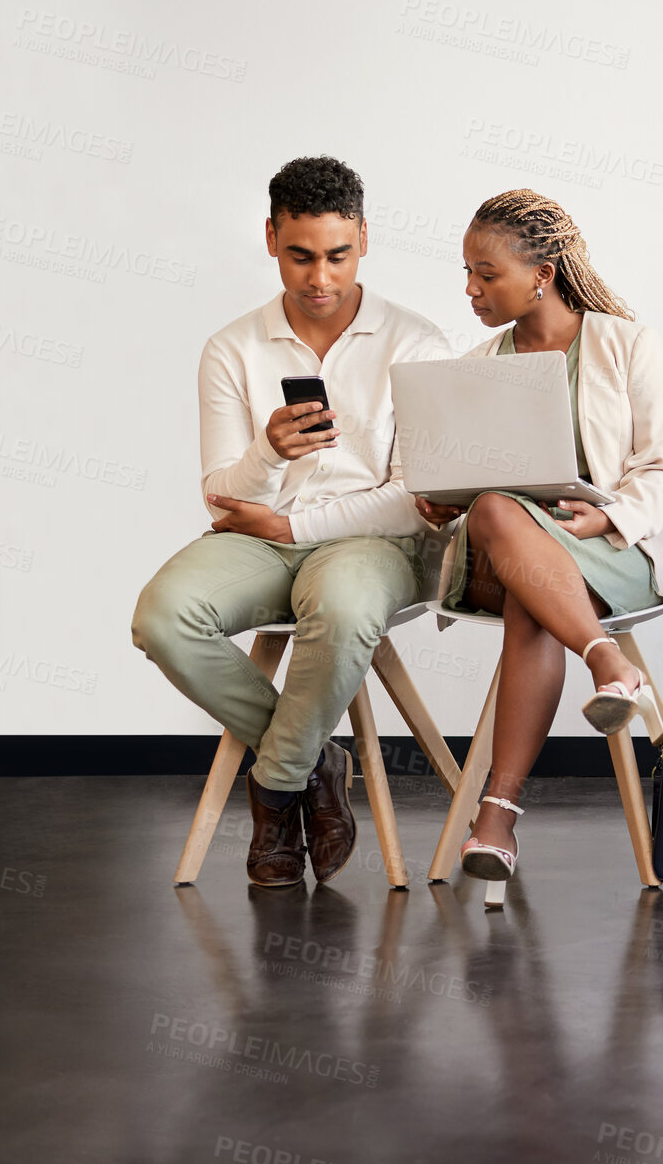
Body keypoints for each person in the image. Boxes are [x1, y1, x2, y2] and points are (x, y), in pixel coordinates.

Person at [132, 156, 450, 888]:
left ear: (364, 239)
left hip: (375, 542)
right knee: (163, 616)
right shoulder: (232, 347)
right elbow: (220, 496)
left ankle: (275, 788)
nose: (319, 279)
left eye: (337, 255)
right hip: (260, 537)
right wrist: (268, 453)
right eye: (300, 255)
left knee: (341, 609)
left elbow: (419, 497)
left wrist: (291, 528)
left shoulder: (417, 342)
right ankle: (314, 763)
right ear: (271, 237)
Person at [413, 189, 663, 884]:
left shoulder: (626, 345)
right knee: (498, 514)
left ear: (541, 274)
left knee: (527, 598)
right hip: (499, 540)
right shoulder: (479, 363)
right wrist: (437, 497)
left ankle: (497, 817)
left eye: (487, 274)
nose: (471, 290)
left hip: (611, 547)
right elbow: (466, 478)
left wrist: (613, 516)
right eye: (468, 274)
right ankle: (605, 661)